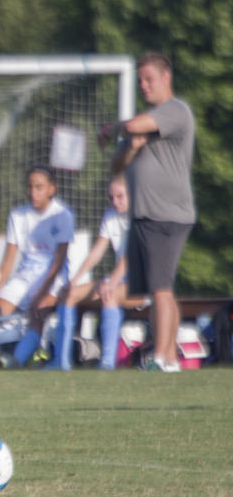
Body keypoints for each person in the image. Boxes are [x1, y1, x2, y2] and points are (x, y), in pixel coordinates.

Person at [103, 51, 196, 373]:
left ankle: (165, 357)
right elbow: (117, 166)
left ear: (165, 77)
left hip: (167, 215)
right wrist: (130, 145)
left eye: (149, 79)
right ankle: (164, 355)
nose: (143, 85)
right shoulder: (139, 130)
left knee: (161, 288)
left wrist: (117, 128)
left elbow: (133, 124)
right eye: (140, 80)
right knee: (156, 288)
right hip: (143, 216)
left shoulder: (173, 111)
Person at [0, 166, 74, 369]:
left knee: (38, 312)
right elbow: (9, 258)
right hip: (25, 275)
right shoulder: (18, 215)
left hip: (53, 277)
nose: (33, 192)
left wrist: (41, 293)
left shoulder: (63, 215)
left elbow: (58, 261)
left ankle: (15, 360)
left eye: (39, 187)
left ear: (51, 189)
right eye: (30, 187)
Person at [51, 174, 143, 370]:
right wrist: (73, 281)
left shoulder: (142, 216)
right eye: (111, 197)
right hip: (119, 280)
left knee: (109, 295)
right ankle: (61, 361)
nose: (115, 202)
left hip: (143, 282)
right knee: (69, 294)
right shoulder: (110, 216)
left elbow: (130, 258)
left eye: (120, 196)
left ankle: (108, 362)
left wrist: (111, 283)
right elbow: (97, 252)